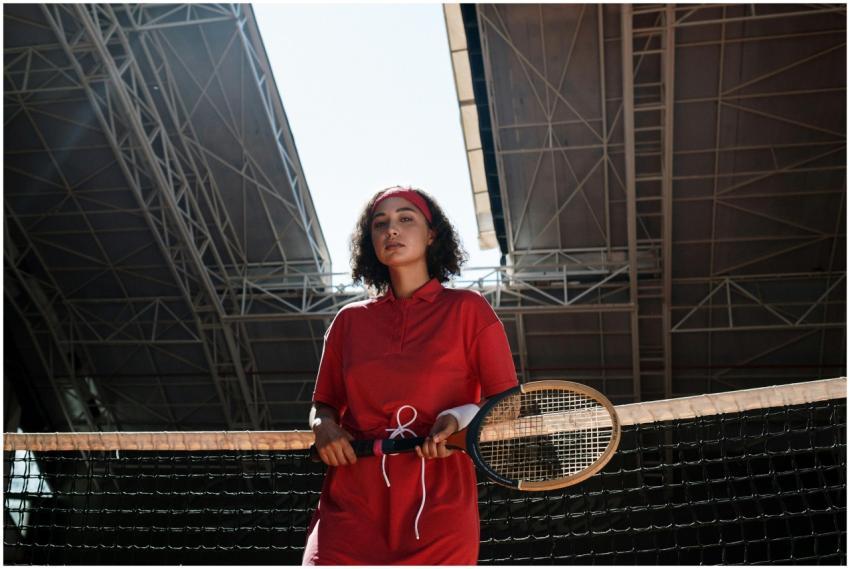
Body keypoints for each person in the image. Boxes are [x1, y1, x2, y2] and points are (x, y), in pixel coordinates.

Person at [302, 186, 518, 565]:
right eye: (380, 224)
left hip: (439, 500)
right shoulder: (349, 321)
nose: (392, 230)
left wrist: (456, 419)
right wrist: (324, 426)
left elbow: (508, 403)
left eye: (406, 218)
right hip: (351, 499)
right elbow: (324, 404)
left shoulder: (469, 310)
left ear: (432, 234)